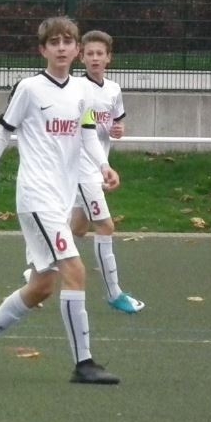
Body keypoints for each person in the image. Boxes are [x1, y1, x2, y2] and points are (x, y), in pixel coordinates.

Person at [0, 17, 122, 385]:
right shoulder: (29, 89)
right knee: (75, 270)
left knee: (43, 285)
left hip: (60, 199)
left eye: (67, 41)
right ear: (42, 49)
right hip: (36, 197)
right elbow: (2, 136)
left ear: (77, 49)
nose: (61, 47)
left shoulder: (82, 91)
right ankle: (84, 364)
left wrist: (104, 165)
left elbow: (88, 133)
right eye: (54, 42)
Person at [70, 30, 145, 314]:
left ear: (108, 58)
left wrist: (118, 129)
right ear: (81, 57)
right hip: (81, 169)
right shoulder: (77, 88)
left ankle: (38, 270)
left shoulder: (113, 90)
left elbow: (116, 123)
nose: (94, 58)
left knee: (77, 228)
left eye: (99, 53)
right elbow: (78, 129)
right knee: (105, 226)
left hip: (98, 166)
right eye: (89, 53)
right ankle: (115, 293)